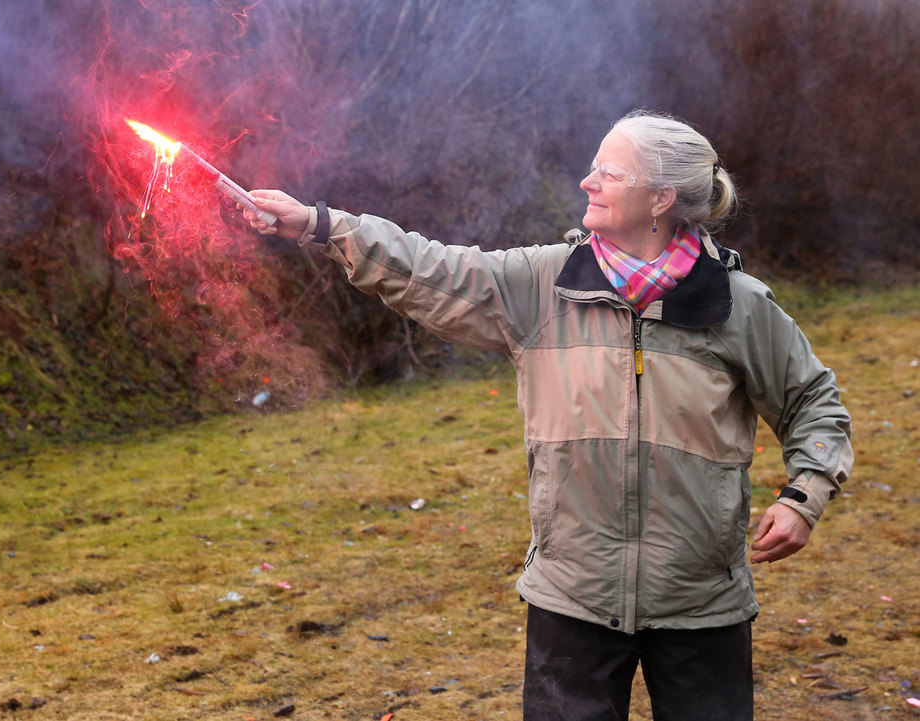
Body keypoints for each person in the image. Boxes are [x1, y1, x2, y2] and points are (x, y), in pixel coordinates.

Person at [242, 110, 853, 721]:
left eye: (608, 173)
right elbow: (427, 269)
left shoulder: (737, 305)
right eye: (592, 168)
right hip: (572, 598)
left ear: (661, 198)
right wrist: (323, 226)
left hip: (701, 601)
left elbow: (813, 401)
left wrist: (805, 495)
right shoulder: (541, 284)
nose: (587, 182)